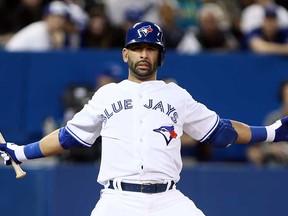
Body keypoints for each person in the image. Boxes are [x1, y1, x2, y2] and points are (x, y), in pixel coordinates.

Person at [1, 21, 288, 216]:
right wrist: (20, 152)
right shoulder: (107, 95)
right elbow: (66, 137)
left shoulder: (176, 95)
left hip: (168, 200)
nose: (144, 54)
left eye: (151, 48)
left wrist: (273, 132)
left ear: (160, 57)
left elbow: (222, 132)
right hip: (117, 200)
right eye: (138, 48)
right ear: (126, 54)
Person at [246, 80, 288, 166]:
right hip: (276, 167)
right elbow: (263, 145)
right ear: (282, 96)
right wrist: (271, 149)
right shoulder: (273, 118)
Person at [4, 1, 69, 52]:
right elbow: (42, 58)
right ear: (46, 17)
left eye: (62, 18)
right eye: (55, 17)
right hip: (9, 59)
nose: (59, 21)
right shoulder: (39, 30)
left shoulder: (51, 33)